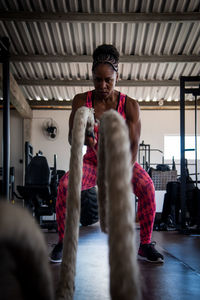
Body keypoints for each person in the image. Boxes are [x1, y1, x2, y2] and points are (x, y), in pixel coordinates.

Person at [50, 44, 164, 264]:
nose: (102, 85)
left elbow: (133, 146)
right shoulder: (81, 101)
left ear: (117, 78)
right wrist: (90, 139)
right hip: (93, 162)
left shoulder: (129, 105)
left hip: (123, 162)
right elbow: (72, 138)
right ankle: (63, 242)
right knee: (65, 186)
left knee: (148, 187)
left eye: (108, 80)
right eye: (97, 79)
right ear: (92, 77)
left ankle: (146, 244)